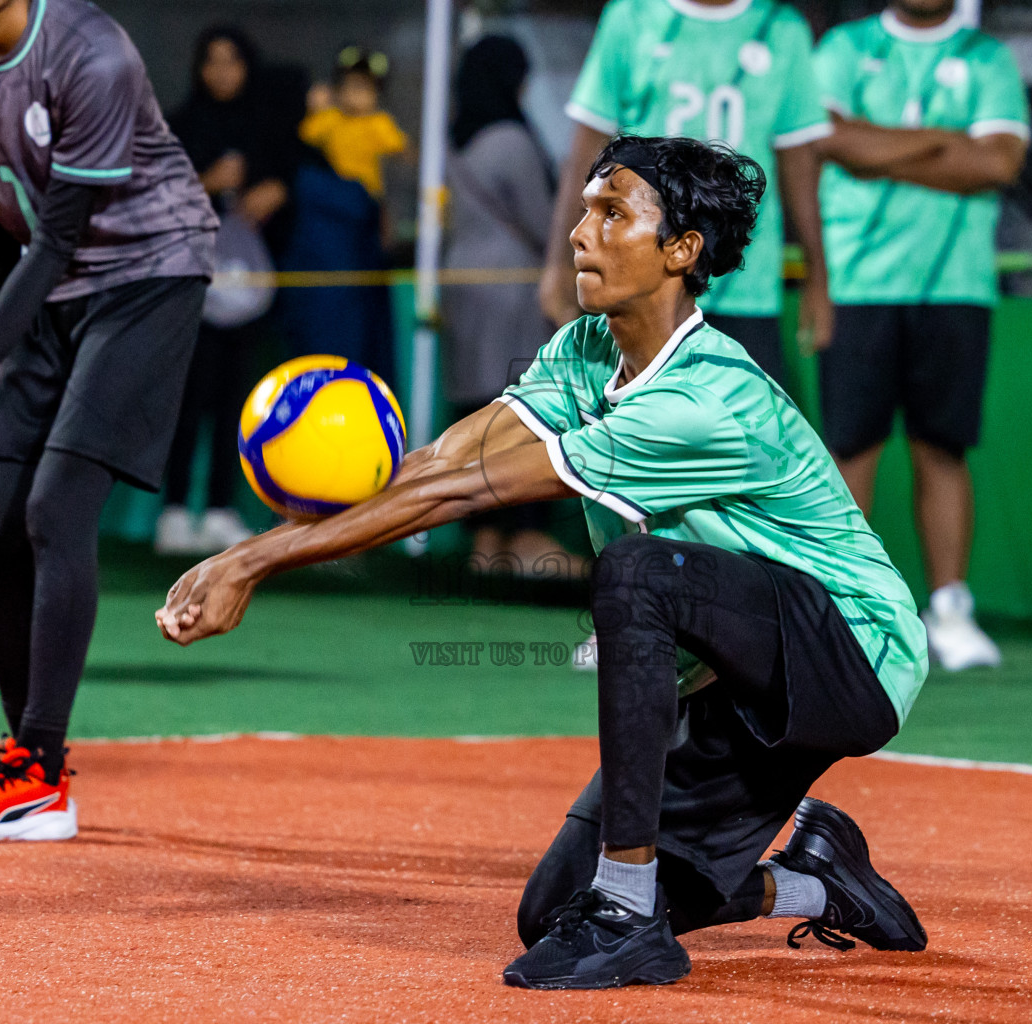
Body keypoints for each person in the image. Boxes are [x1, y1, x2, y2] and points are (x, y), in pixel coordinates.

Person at [157, 135, 929, 989]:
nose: (579, 231)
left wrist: (255, 567)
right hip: (730, 681)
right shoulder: (587, 350)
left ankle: (630, 915)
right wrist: (251, 550)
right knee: (549, 910)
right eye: (586, 208)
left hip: (851, 654)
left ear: (681, 251)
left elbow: (466, 496)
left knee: (635, 575)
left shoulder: (706, 399)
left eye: (612, 214)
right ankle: (818, 886)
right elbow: (445, 465)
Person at [0, 0, 217, 840]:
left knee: (55, 507)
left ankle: (36, 771)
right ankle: (29, 770)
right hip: (45, 290)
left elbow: (63, 231)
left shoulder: (91, 52)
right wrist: (3, 378)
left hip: (146, 275)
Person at [810, 0, 1029, 671]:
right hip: (856, 282)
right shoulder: (844, 49)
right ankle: (845, 610)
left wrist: (877, 150)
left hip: (955, 286)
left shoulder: (988, 59)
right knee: (851, 450)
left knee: (943, 448)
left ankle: (950, 610)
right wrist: (942, 140)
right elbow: (828, 140)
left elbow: (998, 164)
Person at [537, 0, 833, 389]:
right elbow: (587, 154)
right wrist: (559, 264)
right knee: (632, 431)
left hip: (747, 285)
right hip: (645, 284)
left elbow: (798, 160)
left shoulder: (781, 27)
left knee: (743, 439)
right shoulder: (631, 17)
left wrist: (818, 277)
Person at [442, 35, 577, 576]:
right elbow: (547, 223)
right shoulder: (511, 140)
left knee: (474, 413)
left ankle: (483, 544)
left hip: (463, 284)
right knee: (524, 410)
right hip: (512, 288)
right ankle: (526, 539)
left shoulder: (457, 138)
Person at [158, 25, 292, 556]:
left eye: (231, 61)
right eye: (211, 61)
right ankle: (172, 514)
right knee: (189, 398)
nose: (221, 72)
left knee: (240, 398)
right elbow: (153, 196)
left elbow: (288, 181)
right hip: (189, 290)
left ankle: (219, 509)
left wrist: (275, 191)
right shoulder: (180, 126)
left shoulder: (268, 130)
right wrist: (208, 182)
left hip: (249, 293)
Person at [299, 46, 408, 201]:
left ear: (376, 94)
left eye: (363, 87)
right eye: (351, 85)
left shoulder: (379, 122)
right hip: (332, 193)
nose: (356, 93)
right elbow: (307, 134)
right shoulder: (332, 117)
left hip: (367, 195)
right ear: (338, 89)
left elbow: (399, 148)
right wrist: (315, 108)